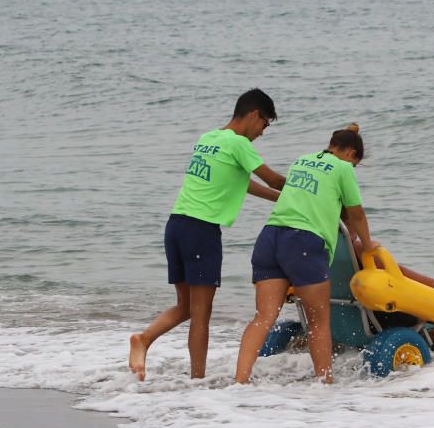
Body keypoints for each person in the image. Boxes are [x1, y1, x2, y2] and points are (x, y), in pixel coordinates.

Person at [128, 89, 286, 381]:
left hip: (176, 226)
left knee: (186, 306)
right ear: (254, 115)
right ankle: (197, 381)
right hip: (201, 231)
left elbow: (244, 184)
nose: (262, 133)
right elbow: (273, 179)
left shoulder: (208, 138)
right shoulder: (238, 143)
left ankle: (144, 340)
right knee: (201, 314)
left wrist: (281, 200)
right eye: (264, 125)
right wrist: (307, 191)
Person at [235, 125, 378, 384]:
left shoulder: (302, 160)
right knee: (318, 321)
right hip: (302, 242)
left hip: (270, 237)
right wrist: (368, 245)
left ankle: (239, 381)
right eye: (356, 164)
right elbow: (356, 213)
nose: (353, 168)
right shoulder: (344, 168)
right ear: (352, 154)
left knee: (263, 317)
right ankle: (325, 383)